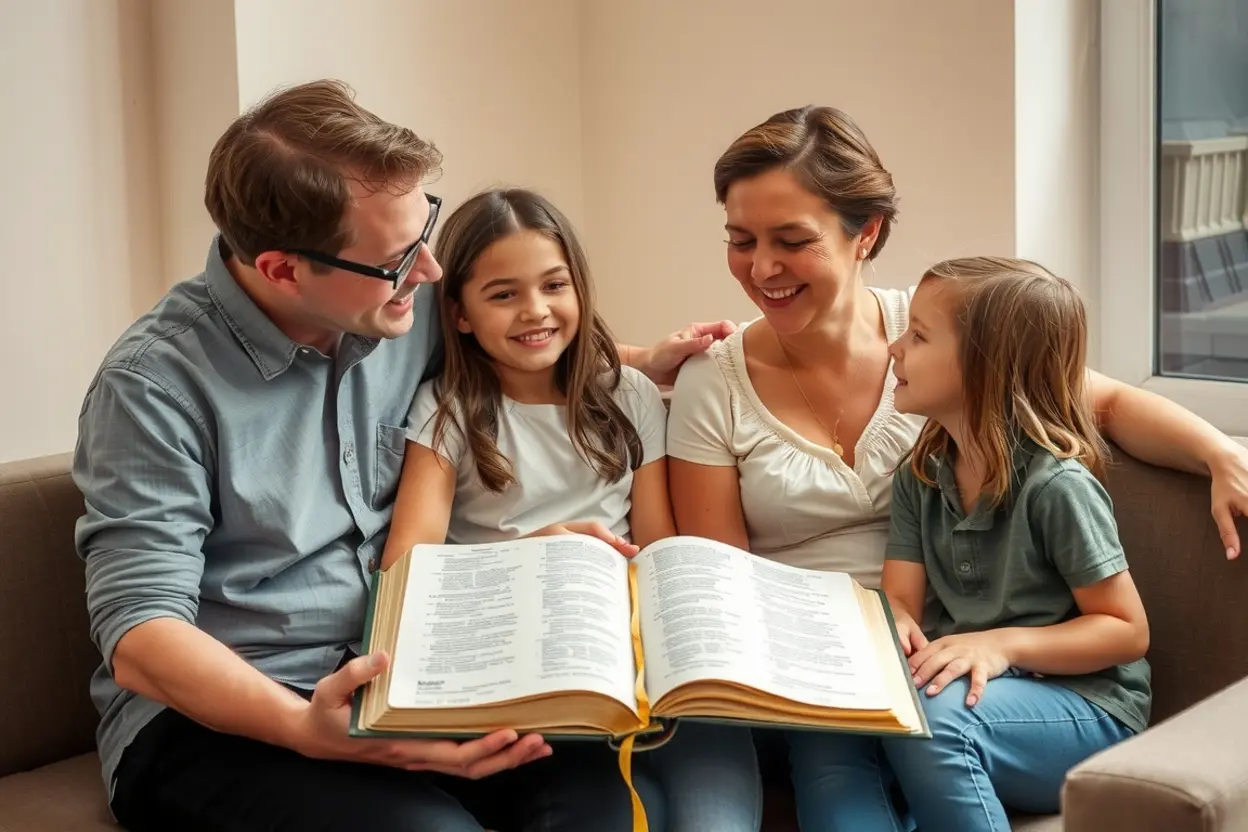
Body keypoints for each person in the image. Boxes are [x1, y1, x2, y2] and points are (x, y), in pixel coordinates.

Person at [72, 80, 731, 832]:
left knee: (605, 811)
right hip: (229, 721)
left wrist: (647, 361)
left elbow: (520, 343)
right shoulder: (153, 387)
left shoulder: (391, 307)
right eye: (397, 259)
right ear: (285, 270)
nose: (430, 273)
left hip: (421, 681)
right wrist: (307, 728)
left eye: (426, 233)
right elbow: (141, 637)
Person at [665, 104, 1247, 824]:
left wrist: (1220, 451)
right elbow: (728, 583)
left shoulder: (953, 329)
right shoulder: (725, 388)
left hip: (942, 675)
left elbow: (1101, 403)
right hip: (821, 666)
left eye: (792, 240)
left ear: (866, 232)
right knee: (834, 758)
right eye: (740, 240)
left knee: (917, 725)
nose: (761, 267)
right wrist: (869, 643)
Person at [380, 187, 763, 832]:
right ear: (462, 314)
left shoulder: (629, 395)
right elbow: (404, 568)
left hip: (628, 654)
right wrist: (539, 554)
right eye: (503, 294)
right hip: (519, 664)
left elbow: (658, 544)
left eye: (554, 286)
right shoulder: (447, 409)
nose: (535, 311)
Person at [790, 256, 1152, 830]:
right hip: (972, 691)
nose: (894, 349)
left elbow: (1126, 631)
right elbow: (901, 600)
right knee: (830, 731)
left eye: (920, 336)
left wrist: (1001, 646)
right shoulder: (921, 474)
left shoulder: (1057, 487)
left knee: (934, 718)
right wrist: (896, 626)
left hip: (1085, 710)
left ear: (986, 368)